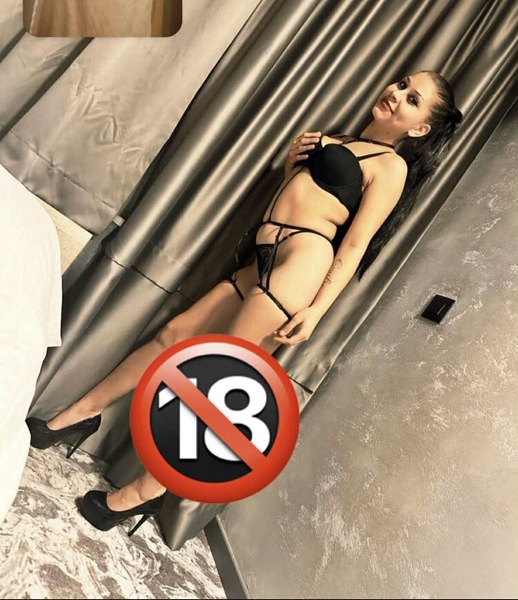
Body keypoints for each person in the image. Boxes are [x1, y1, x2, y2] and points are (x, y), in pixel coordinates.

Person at [26, 70, 463, 535]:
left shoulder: (391, 167)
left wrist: (316, 311)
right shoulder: (344, 140)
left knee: (214, 383)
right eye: (401, 84)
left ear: (420, 128)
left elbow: (354, 246)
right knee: (171, 337)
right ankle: (78, 416)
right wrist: (295, 163)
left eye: (412, 99)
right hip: (261, 260)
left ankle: (145, 492)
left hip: (300, 264)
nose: (397, 94)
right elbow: (299, 196)